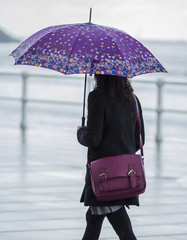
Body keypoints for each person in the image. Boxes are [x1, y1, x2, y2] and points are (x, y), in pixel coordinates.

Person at [77, 74, 145, 240]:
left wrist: (80, 132)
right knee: (93, 219)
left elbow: (93, 139)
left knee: (121, 226)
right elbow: (139, 140)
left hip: (104, 175)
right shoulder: (133, 99)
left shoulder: (97, 97)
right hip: (125, 173)